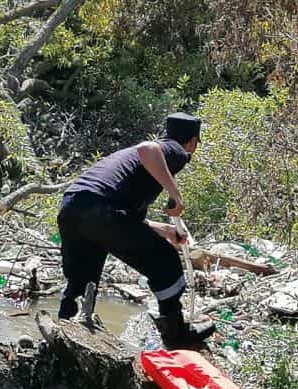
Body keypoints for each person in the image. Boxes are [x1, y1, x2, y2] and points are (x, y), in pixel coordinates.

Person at [55, 113, 215, 349]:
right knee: (166, 261)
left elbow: (123, 219)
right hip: (102, 209)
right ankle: (177, 336)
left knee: (81, 284)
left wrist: (164, 230)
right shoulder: (174, 150)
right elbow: (148, 148)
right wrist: (175, 194)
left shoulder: (132, 165)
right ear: (192, 142)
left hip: (73, 207)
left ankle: (62, 340)